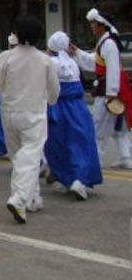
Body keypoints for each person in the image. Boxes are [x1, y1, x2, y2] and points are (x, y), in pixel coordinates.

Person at [0, 16, 60, 224]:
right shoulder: (45, 60)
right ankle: (19, 199)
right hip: (34, 112)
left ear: (17, 34)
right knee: (30, 157)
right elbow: (54, 91)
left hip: (9, 112)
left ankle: (32, 199)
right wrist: (51, 99)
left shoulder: (6, 57)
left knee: (19, 157)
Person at [71, 8, 132, 170]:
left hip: (107, 91)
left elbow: (113, 70)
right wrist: (78, 52)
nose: (91, 27)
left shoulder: (109, 43)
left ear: (102, 26)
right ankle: (125, 157)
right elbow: (95, 62)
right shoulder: (105, 42)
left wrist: (111, 94)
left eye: (94, 24)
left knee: (100, 127)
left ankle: (95, 160)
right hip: (109, 89)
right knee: (117, 126)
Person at [45, 32, 102, 200]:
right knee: (80, 144)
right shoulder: (73, 63)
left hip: (56, 108)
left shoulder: (50, 63)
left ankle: (66, 178)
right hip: (78, 108)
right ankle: (79, 179)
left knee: (57, 144)